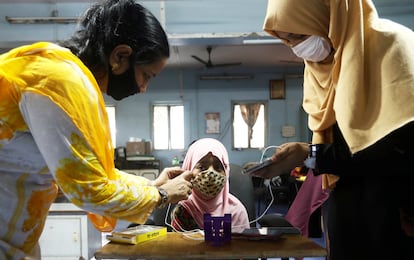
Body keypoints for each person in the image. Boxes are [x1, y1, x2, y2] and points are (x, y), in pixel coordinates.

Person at [0, 0, 194, 259]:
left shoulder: (61, 72)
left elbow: (95, 172)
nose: (144, 88)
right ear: (120, 56)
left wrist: (151, 185)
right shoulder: (60, 82)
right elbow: (90, 190)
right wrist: (160, 195)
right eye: (146, 75)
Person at [257, 0, 414, 259]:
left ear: (330, 16)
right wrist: (308, 154)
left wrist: (312, 154)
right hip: (347, 210)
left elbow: (401, 149)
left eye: (299, 35)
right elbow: (342, 150)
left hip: (397, 211)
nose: (297, 47)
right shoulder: (321, 69)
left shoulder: (393, 47)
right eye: (287, 41)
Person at [171, 138, 250, 233]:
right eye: (202, 167)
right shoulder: (183, 211)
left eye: (218, 167)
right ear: (189, 170)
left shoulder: (236, 211)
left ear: (226, 173)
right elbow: (179, 246)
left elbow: (243, 246)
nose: (211, 173)